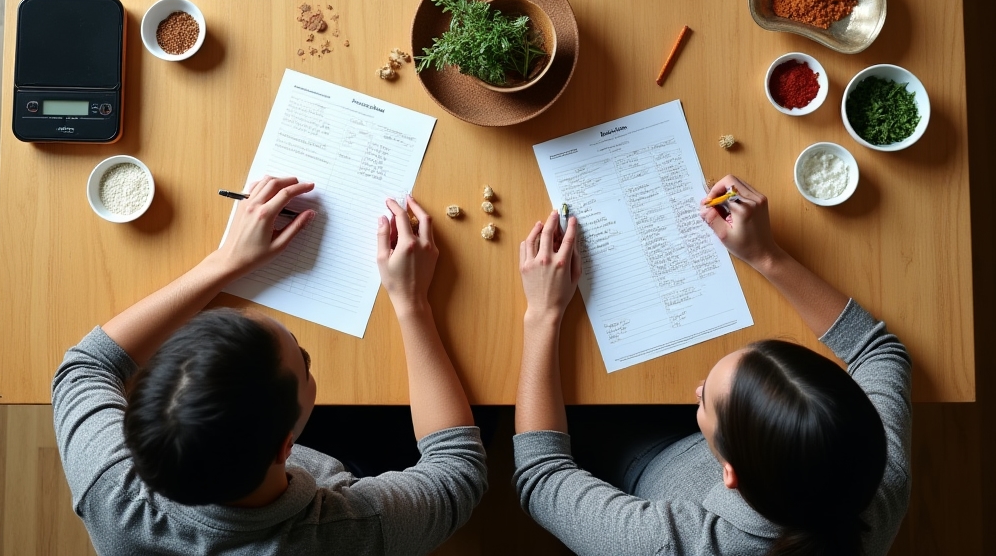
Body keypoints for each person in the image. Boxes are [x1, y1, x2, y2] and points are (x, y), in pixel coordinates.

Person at [52, 176, 487, 555]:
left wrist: (225, 261)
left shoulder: (108, 487)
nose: (302, 349)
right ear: (288, 448)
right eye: (304, 360)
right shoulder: (344, 533)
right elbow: (458, 475)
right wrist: (413, 303)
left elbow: (85, 366)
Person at [514, 174, 910, 555]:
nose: (697, 389)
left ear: (729, 476)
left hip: (646, 463)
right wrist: (766, 255)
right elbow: (877, 351)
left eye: (705, 400)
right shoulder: (878, 470)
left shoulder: (673, 544)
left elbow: (542, 478)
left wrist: (543, 313)